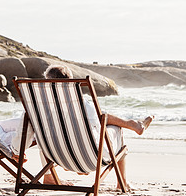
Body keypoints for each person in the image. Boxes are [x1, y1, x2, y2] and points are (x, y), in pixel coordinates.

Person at [11, 65, 154, 189]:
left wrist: (17, 150)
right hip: (89, 158)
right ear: (72, 82)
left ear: (47, 82)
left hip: (57, 157)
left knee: (45, 135)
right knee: (115, 128)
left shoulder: (35, 107)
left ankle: (49, 177)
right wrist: (83, 162)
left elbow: (24, 131)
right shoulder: (83, 105)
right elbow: (94, 132)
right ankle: (122, 182)